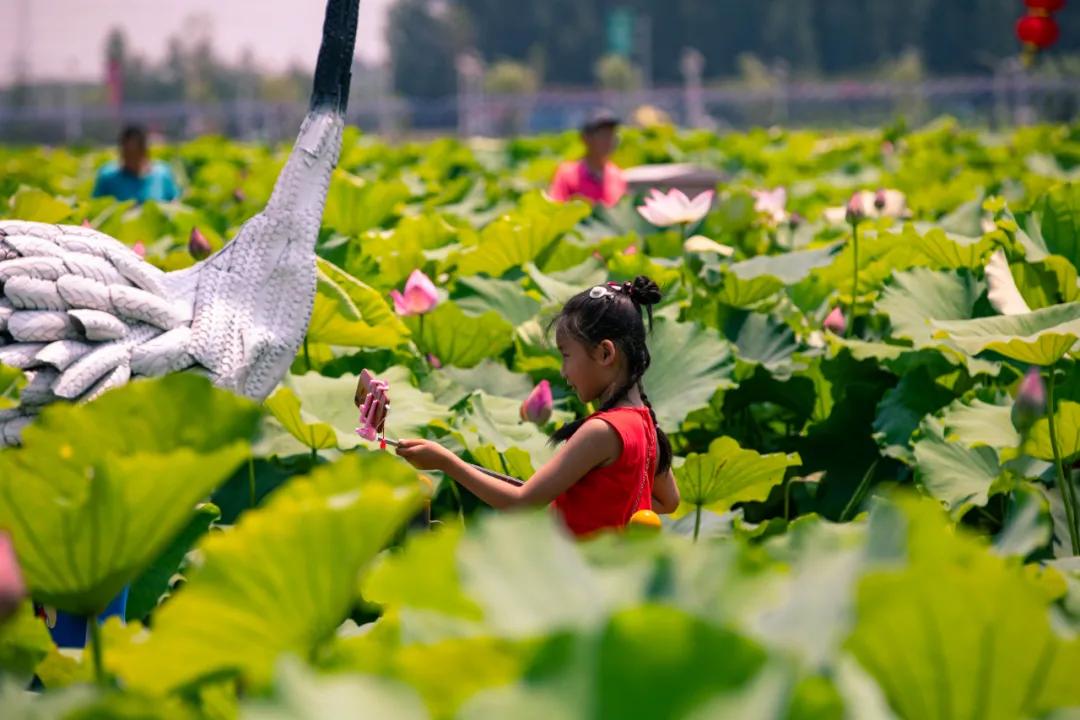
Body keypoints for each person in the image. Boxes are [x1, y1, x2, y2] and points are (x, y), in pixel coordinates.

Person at [395, 275, 680, 538]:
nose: (564, 371)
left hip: (572, 576)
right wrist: (599, 504)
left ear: (605, 353)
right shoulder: (645, 425)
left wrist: (447, 462)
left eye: (567, 355)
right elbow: (668, 501)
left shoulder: (601, 431)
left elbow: (523, 503)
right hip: (612, 575)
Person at [547, 109, 627, 208]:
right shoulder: (566, 174)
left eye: (612, 135)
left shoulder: (617, 175)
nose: (609, 140)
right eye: (603, 135)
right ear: (585, 138)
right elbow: (555, 208)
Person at [92, 125, 179, 204]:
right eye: (128, 154)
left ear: (145, 151)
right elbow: (97, 206)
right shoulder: (108, 176)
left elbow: (173, 202)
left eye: (135, 154)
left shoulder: (162, 173)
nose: (131, 159)